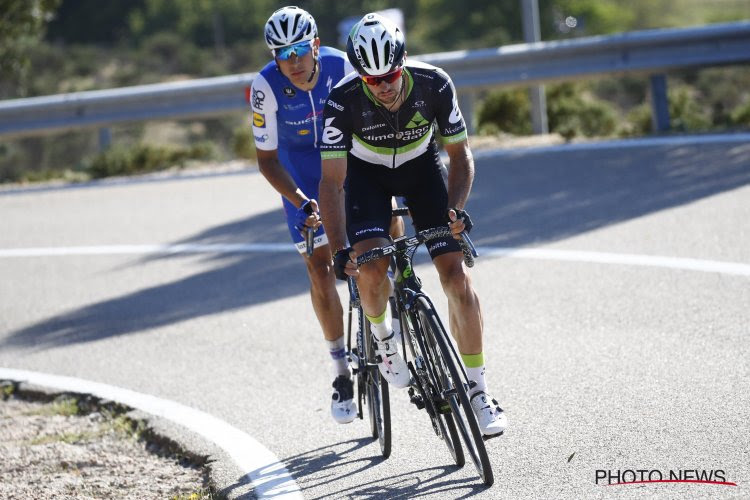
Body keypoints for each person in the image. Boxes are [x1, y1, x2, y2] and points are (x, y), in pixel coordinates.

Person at [318, 13, 507, 436]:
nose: (383, 86)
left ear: (402, 62)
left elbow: (460, 156)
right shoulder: (341, 100)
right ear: (360, 77)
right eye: (372, 80)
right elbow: (331, 183)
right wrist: (337, 249)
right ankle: (385, 339)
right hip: (366, 179)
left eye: (390, 74)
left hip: (422, 173)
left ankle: (479, 391)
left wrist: (455, 210)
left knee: (456, 277)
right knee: (370, 267)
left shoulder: (434, 84)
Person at [249, 6, 360, 425]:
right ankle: (341, 372)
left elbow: (365, 126)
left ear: (314, 44)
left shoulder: (341, 65)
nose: (292, 61)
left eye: (299, 49)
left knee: (382, 219)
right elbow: (267, 160)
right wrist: (301, 200)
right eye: (282, 53)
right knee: (319, 269)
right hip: (299, 176)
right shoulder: (266, 85)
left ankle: (397, 290)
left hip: (345, 161)